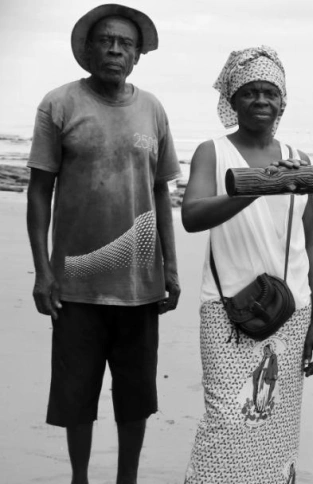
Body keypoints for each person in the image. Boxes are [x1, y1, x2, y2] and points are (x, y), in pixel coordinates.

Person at [25, 5, 180, 483]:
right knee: (77, 394)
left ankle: (126, 479)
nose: (115, 49)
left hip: (139, 283)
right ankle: (79, 477)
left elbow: (161, 190)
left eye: (126, 44)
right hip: (75, 286)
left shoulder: (152, 108)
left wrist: (170, 267)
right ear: (87, 50)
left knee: (135, 395)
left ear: (137, 56)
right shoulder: (60, 105)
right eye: (106, 41)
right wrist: (42, 270)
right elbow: (39, 191)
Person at [181, 45, 313, 483]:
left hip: (292, 310)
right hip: (228, 310)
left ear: (283, 101)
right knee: (228, 420)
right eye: (249, 93)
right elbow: (191, 216)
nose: (261, 101)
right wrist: (257, 187)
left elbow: (311, 241)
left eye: (270, 93)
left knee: (277, 421)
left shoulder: (299, 160)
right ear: (232, 99)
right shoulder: (213, 152)